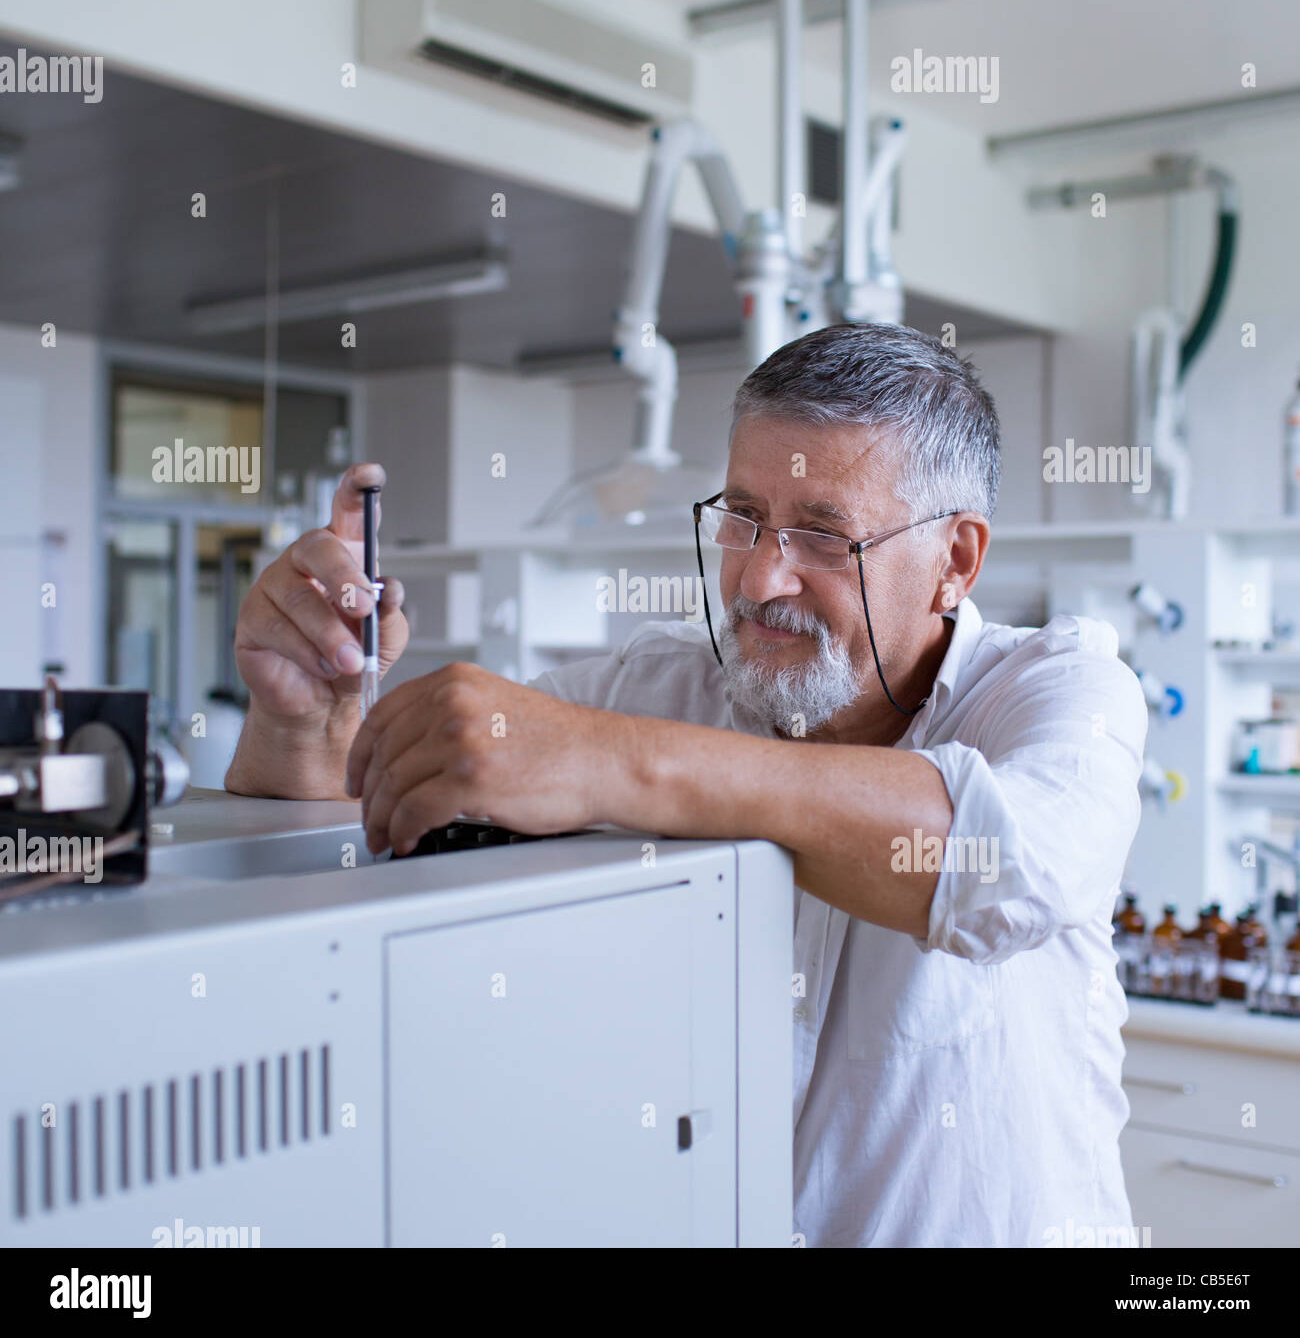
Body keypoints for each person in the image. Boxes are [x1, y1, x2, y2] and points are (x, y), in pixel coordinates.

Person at [226, 322, 1148, 1247]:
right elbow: (364, 825)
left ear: (956, 561)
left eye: (824, 537)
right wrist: (305, 718)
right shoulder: (655, 689)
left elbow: (1002, 871)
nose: (759, 576)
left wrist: (610, 763)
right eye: (743, 517)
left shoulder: (1060, 690)